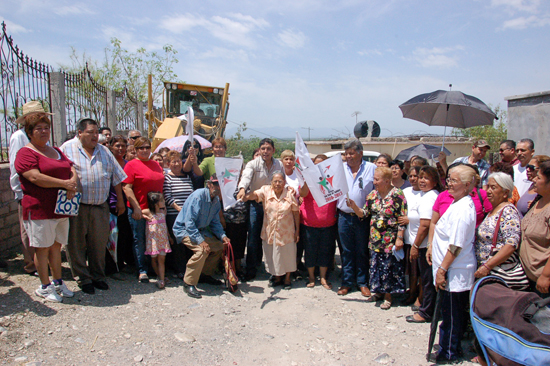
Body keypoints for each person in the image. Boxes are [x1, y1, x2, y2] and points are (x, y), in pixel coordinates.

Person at [15, 109, 77, 302]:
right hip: (40, 208)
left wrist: (73, 181)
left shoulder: (55, 151)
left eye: (46, 128)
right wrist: (64, 184)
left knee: (56, 247)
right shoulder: (25, 153)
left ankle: (58, 281)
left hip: (60, 208)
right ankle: (44, 285)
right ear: (30, 132)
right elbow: (35, 177)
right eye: (39, 129)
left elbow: (70, 167)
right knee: (42, 248)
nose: (43, 132)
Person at [61, 118, 127, 294]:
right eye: (90, 132)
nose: (94, 136)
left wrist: (120, 200)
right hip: (77, 206)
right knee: (76, 243)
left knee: (98, 244)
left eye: (96, 132)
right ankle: (83, 278)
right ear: (80, 133)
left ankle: (98, 276)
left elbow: (117, 178)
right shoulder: (67, 148)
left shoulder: (104, 151)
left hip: (100, 206)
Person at [427, 164, 477, 363]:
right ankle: (449, 347)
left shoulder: (463, 209)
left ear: (466, 185)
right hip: (449, 269)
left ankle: (449, 352)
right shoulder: (457, 203)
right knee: (449, 314)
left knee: (451, 316)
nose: (449, 183)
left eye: (454, 180)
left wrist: (442, 269)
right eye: (449, 179)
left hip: (454, 271)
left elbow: (455, 246)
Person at [347, 167, 407, 309]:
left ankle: (388, 296)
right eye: (374, 179)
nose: (374, 182)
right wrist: (354, 207)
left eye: (377, 179)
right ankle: (378, 291)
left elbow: (402, 218)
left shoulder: (397, 194)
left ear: (387, 181)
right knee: (376, 266)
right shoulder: (372, 195)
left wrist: (400, 238)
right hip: (375, 238)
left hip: (390, 239)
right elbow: (364, 213)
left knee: (389, 267)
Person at [172, 174, 230, 298]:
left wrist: (222, 236)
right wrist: (200, 241)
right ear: (209, 184)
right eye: (215, 184)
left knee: (219, 247)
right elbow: (189, 222)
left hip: (200, 230)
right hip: (185, 230)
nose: (218, 187)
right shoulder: (198, 196)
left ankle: (204, 274)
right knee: (202, 250)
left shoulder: (216, 201)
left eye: (221, 184)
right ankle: (189, 283)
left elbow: (215, 223)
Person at [237, 138, 283, 281]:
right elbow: (246, 177)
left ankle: (274, 269)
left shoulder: (279, 164)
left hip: (273, 206)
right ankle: (251, 268)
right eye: (263, 148)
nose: (265, 151)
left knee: (273, 237)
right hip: (256, 204)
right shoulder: (253, 164)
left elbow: (283, 181)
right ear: (260, 150)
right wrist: (242, 188)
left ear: (273, 150)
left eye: (268, 148)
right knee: (253, 237)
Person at [244, 172, 300, 289]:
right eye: (275, 181)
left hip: (287, 231)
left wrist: (297, 231)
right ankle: (277, 277)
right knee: (272, 254)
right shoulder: (266, 190)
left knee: (288, 255)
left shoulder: (289, 194)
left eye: (280, 181)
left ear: (284, 183)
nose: (277, 184)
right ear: (271, 182)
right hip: (270, 231)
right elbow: (255, 194)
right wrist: (245, 196)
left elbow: (295, 213)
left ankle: (288, 278)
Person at [122, 137, 165, 283]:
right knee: (139, 239)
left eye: (147, 147)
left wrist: (162, 207)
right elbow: (127, 187)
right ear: (136, 149)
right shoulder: (131, 165)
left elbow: (161, 188)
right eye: (141, 148)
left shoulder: (156, 164)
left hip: (155, 210)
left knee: (155, 240)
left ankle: (155, 269)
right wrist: (137, 208)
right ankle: (142, 270)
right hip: (139, 210)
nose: (145, 150)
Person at [336, 139, 376, 296]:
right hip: (343, 217)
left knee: (361, 250)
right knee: (346, 251)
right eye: (346, 153)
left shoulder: (371, 168)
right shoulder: (340, 168)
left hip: (362, 217)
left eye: (351, 153)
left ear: (361, 153)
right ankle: (347, 282)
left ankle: (362, 282)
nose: (348, 156)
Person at [474, 173, 527, 290]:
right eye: (488, 187)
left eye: (493, 188)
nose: (488, 191)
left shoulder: (508, 212)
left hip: (499, 274)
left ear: (504, 193)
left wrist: (487, 266)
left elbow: (511, 244)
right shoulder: (493, 210)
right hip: (489, 272)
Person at [406, 166, 441, 323]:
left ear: (434, 181)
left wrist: (415, 246)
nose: (421, 180)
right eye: (420, 177)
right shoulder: (426, 195)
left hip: (425, 246)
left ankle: (426, 313)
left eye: (426, 178)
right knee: (425, 279)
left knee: (427, 280)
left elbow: (425, 225)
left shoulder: (429, 198)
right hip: (424, 245)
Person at [299, 155, 338, 290]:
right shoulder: (308, 179)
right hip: (309, 223)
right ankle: (311, 277)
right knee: (310, 251)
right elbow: (302, 194)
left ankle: (323, 278)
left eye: (322, 164)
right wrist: (306, 180)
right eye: (316, 164)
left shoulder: (332, 179)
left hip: (328, 223)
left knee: (325, 251)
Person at [10, 101, 36, 275]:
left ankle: (40, 261)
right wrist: (19, 191)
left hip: (40, 189)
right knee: (27, 228)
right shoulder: (19, 137)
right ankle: (30, 264)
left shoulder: (36, 136)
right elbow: (15, 165)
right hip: (25, 190)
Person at [163, 150, 196, 278]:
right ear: (168, 164)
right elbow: (167, 196)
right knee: (178, 243)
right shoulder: (168, 178)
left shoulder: (187, 177)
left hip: (188, 215)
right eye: (173, 162)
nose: (176, 164)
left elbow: (192, 194)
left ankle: (189, 269)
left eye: (178, 161)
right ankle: (179, 269)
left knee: (188, 242)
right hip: (174, 215)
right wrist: (179, 208)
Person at [519, 161, 550, 298]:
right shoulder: (538, 201)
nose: (534, 180)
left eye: (539, 177)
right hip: (528, 279)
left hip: (543, 283)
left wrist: (545, 276)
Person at [106, 135, 134, 273]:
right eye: (117, 145)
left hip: (126, 204)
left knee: (123, 235)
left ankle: (121, 264)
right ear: (111, 147)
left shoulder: (128, 164)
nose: (121, 148)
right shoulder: (107, 163)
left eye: (123, 146)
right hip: (111, 204)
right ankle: (110, 267)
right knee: (111, 236)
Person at [400, 166, 422, 308]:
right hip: (407, 237)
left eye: (417, 176)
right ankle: (411, 292)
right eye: (411, 176)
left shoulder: (429, 194)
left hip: (420, 240)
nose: (413, 179)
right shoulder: (405, 192)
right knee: (411, 271)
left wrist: (410, 220)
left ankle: (419, 296)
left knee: (420, 272)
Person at [142, 192, 171, 289]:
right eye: (162, 201)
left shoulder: (163, 213)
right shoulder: (149, 212)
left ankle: (162, 279)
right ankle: (159, 275)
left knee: (161, 260)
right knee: (154, 260)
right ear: (155, 204)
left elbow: (165, 226)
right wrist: (144, 217)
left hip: (163, 240)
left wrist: (169, 236)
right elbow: (138, 211)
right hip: (153, 241)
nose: (164, 202)